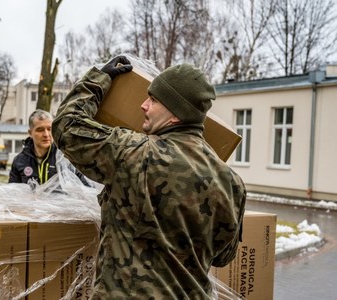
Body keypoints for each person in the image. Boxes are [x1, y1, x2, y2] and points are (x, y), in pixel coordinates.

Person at [52, 55, 246, 299]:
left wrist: (98, 80)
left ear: (175, 114)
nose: (143, 105)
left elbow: (66, 127)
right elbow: (222, 257)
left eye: (153, 100)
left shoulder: (133, 152)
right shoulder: (232, 183)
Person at [9, 109, 90, 186]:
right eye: (40, 130)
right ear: (30, 133)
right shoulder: (19, 161)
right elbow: (13, 193)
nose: (46, 134)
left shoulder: (66, 158)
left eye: (49, 129)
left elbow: (87, 188)